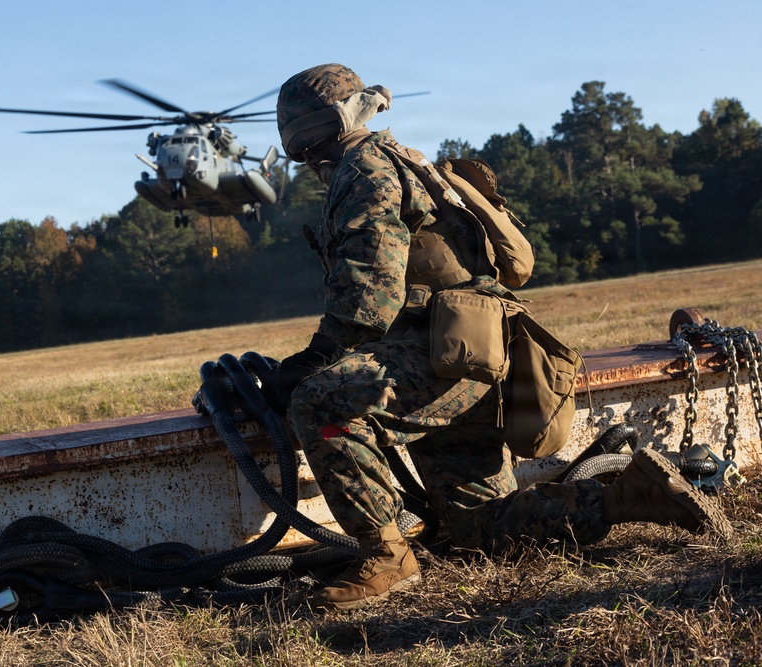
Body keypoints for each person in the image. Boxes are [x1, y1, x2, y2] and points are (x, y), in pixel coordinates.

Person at [273, 63, 732, 612]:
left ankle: (385, 554)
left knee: (323, 401)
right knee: (476, 529)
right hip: (477, 352)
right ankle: (634, 495)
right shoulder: (406, 160)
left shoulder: (363, 167)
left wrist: (317, 357)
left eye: (307, 137)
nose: (307, 154)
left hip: (441, 354)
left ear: (335, 122)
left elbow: (368, 294)